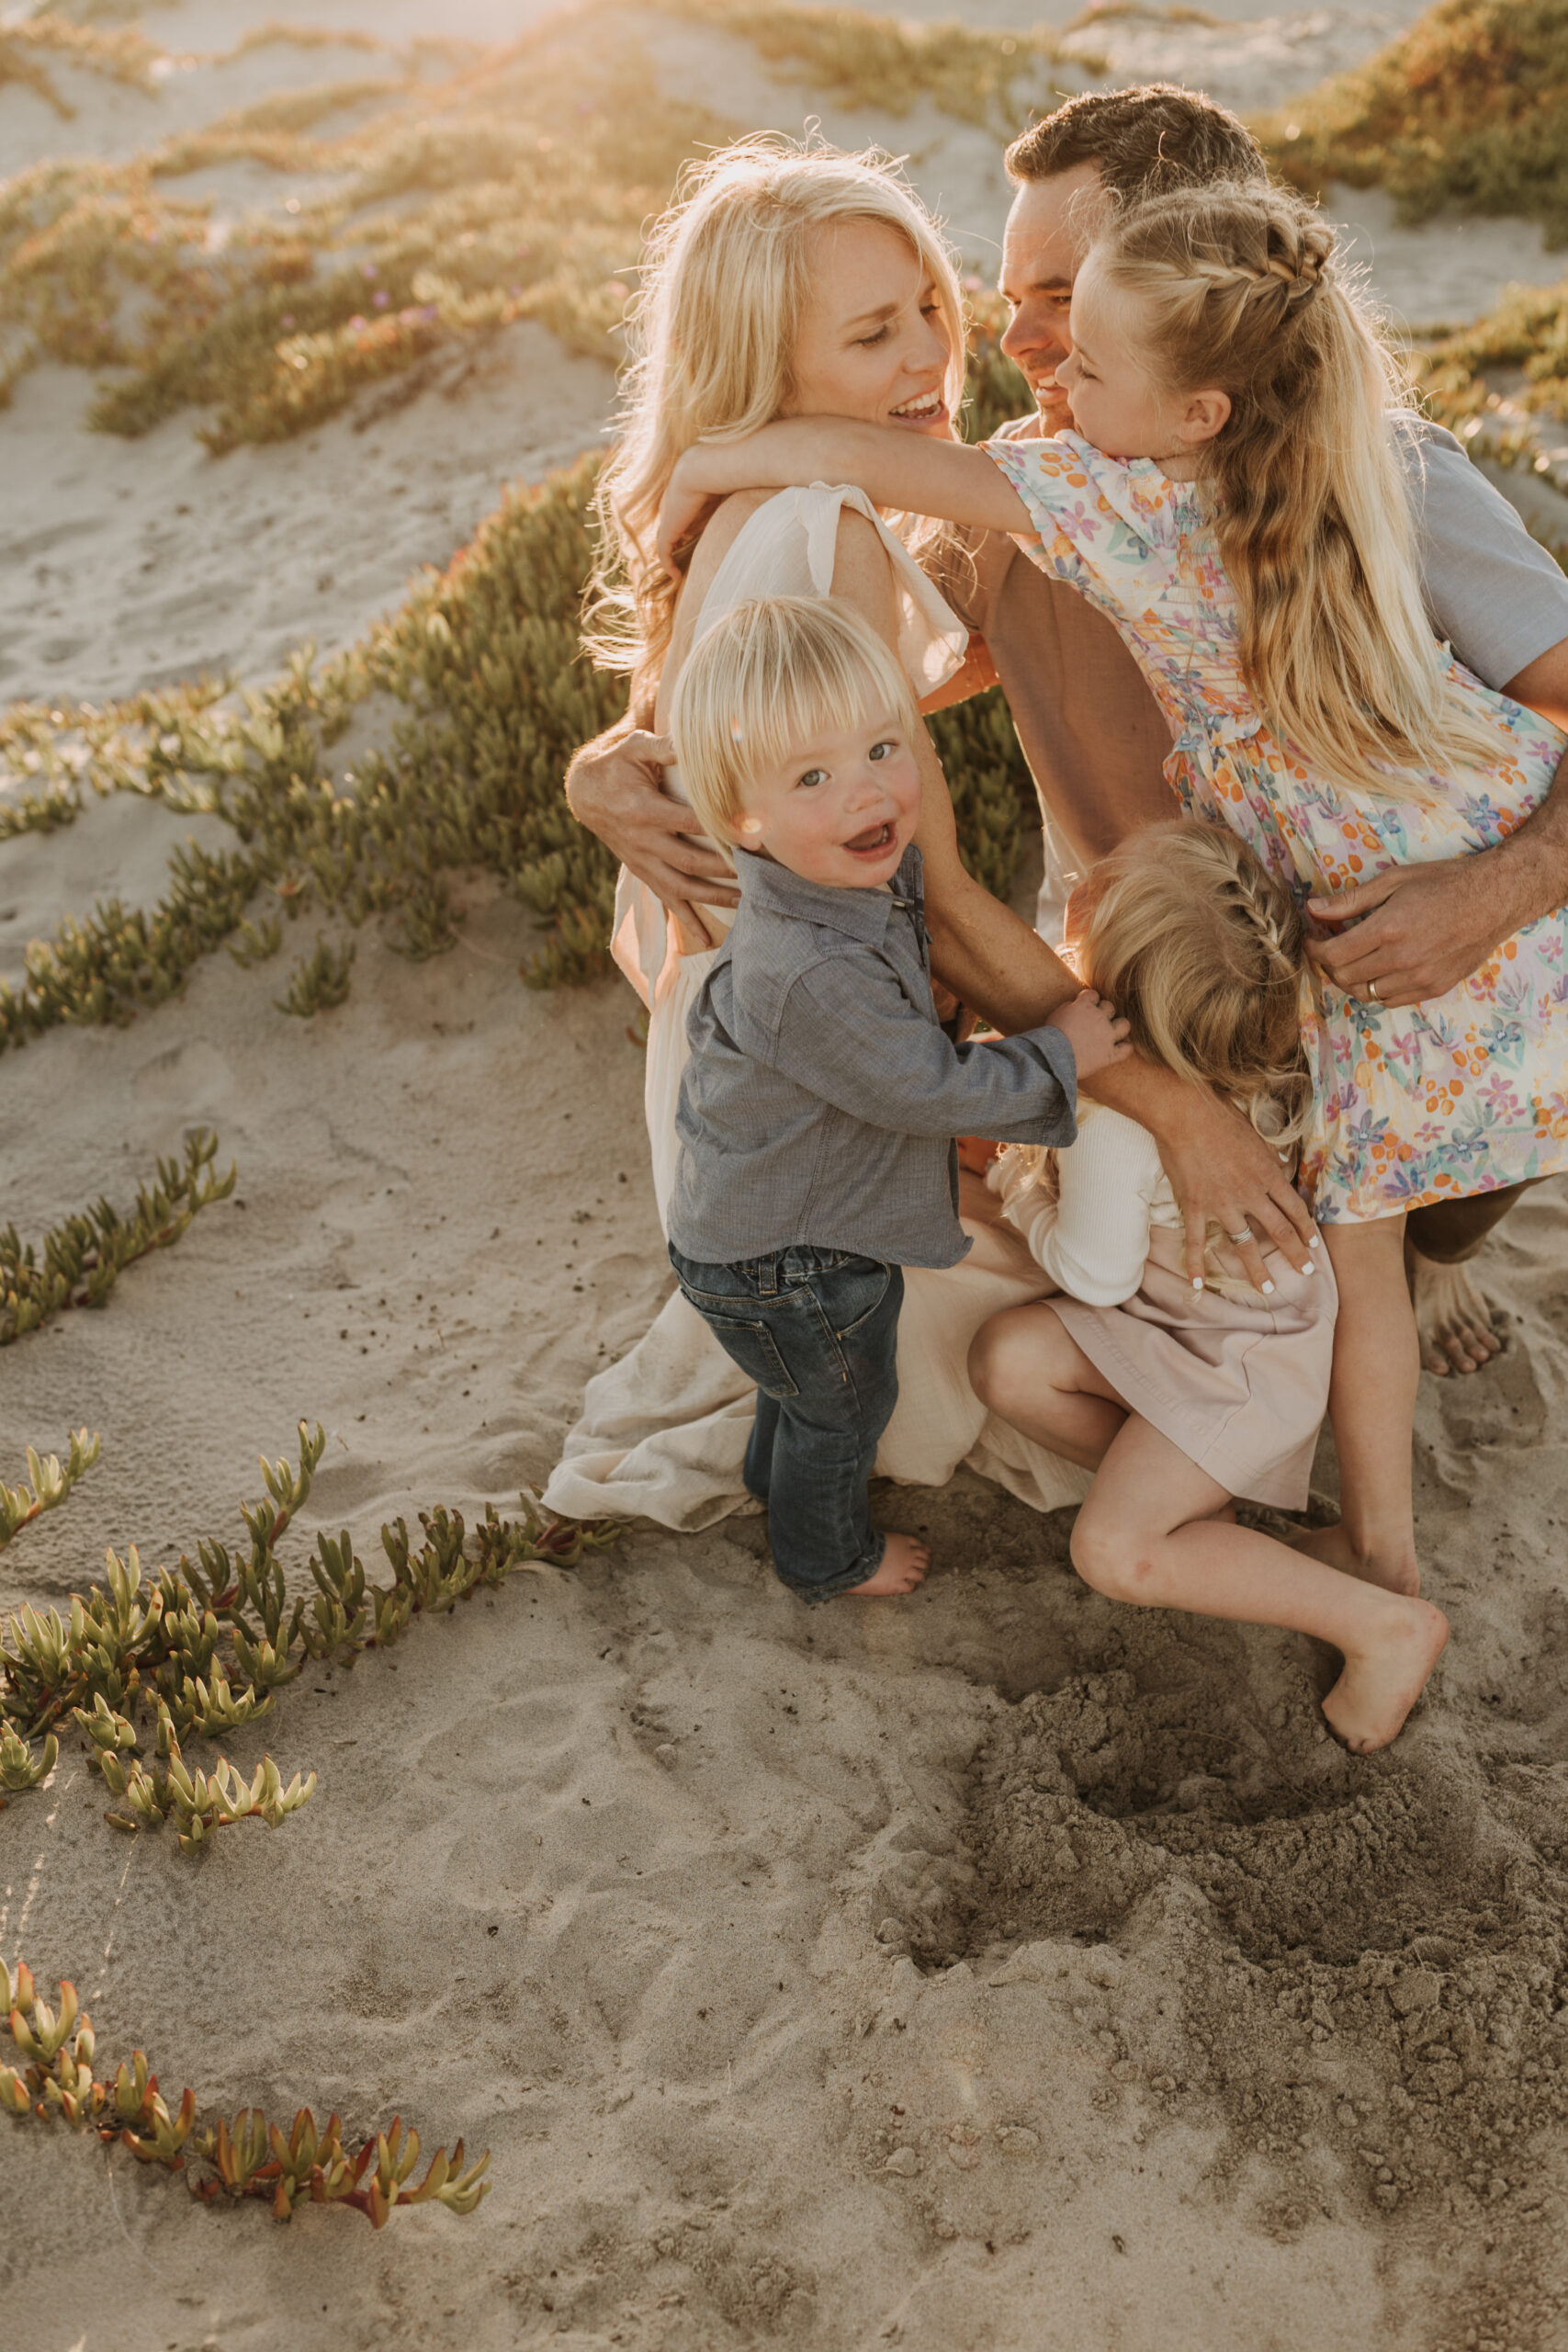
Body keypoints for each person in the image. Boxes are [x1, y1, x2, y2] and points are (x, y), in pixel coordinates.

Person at [652, 177, 1568, 1609]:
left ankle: (1371, 1544)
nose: (1036, 367)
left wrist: (710, 461)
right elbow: (938, 655)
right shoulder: (1312, 456)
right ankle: (1372, 1531)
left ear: (1192, 401)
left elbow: (858, 465)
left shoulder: (1122, 500)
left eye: (1077, 343)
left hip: (1398, 902)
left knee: (1367, 1232)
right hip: (1460, 829)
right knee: (1365, 1238)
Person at [543, 133, 1309, 1536]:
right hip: (814, 1065)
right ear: (769, 374)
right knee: (1157, 1303)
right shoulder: (821, 533)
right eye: (871, 333)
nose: (932, 363)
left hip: (760, 1053)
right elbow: (933, 889)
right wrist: (1167, 1112)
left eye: (927, 315)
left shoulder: (793, 511)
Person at [663, 594, 1126, 1600]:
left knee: (798, 1389)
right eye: (814, 776)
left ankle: (768, 1479)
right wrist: (1061, 1053)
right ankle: (827, 1557)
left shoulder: (837, 885)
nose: (865, 794)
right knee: (846, 1401)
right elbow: (921, 1089)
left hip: (758, 1234)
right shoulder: (806, 970)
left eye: (883, 748)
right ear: (744, 815)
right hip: (793, 1261)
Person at [969, 821, 1446, 1754]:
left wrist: (1019, 1195)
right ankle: (1204, 1511)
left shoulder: (1117, 1122)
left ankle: (1384, 1629)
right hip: (1233, 1333)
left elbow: (1095, 1274)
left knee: (1112, 1549)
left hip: (1233, 1366)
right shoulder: (1275, 1056)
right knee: (1008, 1359)